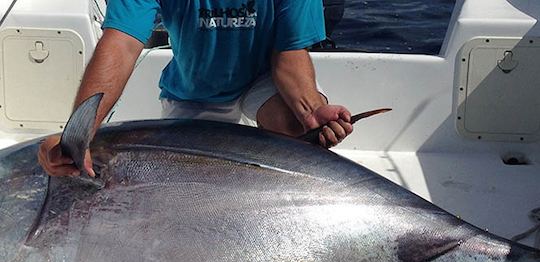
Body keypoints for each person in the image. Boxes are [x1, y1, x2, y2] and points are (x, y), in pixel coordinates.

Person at [38, 0, 353, 177]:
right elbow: (120, 44)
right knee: (187, 176)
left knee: (296, 130)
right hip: (196, 85)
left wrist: (312, 112)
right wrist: (80, 133)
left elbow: (288, 56)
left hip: (263, 77)